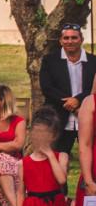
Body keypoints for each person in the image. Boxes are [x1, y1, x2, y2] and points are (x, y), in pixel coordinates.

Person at [39, 22, 96, 155]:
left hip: (88, 116)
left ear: (81, 39)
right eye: (66, 38)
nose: (70, 41)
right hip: (59, 117)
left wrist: (78, 100)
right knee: (58, 160)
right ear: (60, 40)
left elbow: (92, 88)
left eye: (74, 38)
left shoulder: (93, 61)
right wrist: (71, 104)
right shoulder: (49, 61)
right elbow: (47, 87)